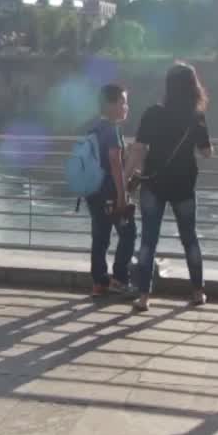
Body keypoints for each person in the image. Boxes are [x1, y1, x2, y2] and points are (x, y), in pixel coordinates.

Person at [126, 62, 212, 313]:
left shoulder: (153, 113)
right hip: (184, 185)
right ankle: (198, 292)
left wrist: (124, 179)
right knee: (190, 239)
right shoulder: (196, 117)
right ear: (193, 86)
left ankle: (143, 297)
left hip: (153, 183)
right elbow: (206, 153)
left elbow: (139, 150)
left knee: (148, 241)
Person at [84, 83, 137, 296]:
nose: (126, 107)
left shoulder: (94, 127)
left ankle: (99, 283)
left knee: (100, 237)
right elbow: (115, 165)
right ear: (111, 104)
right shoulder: (112, 130)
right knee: (129, 234)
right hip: (110, 194)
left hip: (93, 193)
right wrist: (122, 198)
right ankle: (119, 279)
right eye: (123, 102)